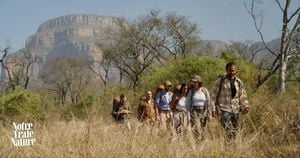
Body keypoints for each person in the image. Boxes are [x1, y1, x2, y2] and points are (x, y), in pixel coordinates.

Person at [211, 62, 249, 140]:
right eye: (230, 70)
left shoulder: (238, 82)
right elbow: (213, 96)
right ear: (226, 70)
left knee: (235, 131)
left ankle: (231, 148)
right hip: (224, 109)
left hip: (236, 109)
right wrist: (212, 109)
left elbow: (242, 95)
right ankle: (229, 145)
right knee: (228, 129)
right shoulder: (220, 81)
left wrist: (245, 106)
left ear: (236, 70)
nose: (232, 72)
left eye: (233, 70)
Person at [186, 75, 211, 139]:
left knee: (203, 128)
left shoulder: (205, 91)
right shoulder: (191, 91)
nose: (194, 84)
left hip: (203, 112)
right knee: (196, 128)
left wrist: (209, 113)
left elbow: (208, 102)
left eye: (195, 82)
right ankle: (197, 142)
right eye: (193, 82)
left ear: (199, 82)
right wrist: (188, 115)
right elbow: (188, 104)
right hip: (194, 112)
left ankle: (203, 143)